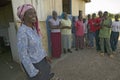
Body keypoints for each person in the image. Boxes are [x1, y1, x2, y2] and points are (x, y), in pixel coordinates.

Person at [17, 4, 54, 80]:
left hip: (42, 60)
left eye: (34, 13)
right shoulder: (22, 32)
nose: (34, 15)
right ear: (23, 16)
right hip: (34, 64)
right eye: (30, 13)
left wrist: (45, 56)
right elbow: (23, 55)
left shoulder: (34, 28)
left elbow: (39, 45)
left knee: (46, 76)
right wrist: (33, 72)